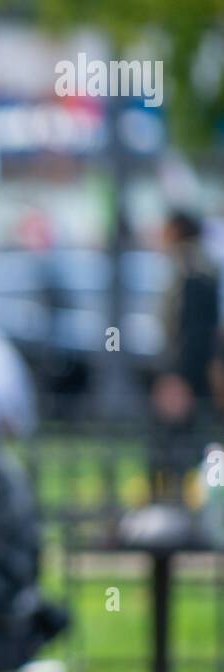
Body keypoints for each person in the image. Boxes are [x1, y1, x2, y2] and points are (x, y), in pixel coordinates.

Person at [151, 208, 220, 495]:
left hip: (189, 378)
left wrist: (179, 378)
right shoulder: (199, 266)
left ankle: (179, 511)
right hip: (194, 376)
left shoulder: (192, 271)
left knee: (181, 449)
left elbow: (195, 334)